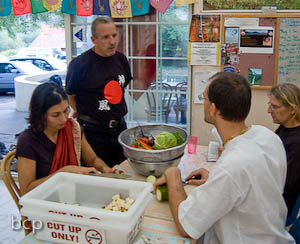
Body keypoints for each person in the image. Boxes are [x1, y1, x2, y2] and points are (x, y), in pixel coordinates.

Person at [154, 72, 295, 244]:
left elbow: (186, 226)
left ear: (213, 108)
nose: (203, 102)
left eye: (203, 98)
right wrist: (214, 180)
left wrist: (173, 174)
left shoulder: (232, 165)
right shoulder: (267, 136)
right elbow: (254, 183)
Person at [16, 83, 120, 196]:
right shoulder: (28, 141)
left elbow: (92, 160)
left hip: (71, 194)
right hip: (43, 202)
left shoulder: (72, 129)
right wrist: (63, 173)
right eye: (55, 115)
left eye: (66, 110)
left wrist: (106, 169)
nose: (64, 118)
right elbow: (26, 190)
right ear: (40, 115)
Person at [66, 17, 132, 168]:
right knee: (98, 179)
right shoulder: (79, 65)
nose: (112, 41)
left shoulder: (121, 59)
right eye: (105, 37)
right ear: (94, 39)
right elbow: (71, 94)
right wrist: (78, 110)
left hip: (120, 128)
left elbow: (122, 86)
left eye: (114, 35)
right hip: (92, 132)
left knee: (123, 172)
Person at [268, 83, 300, 216]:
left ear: (292, 109)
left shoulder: (297, 142)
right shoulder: (284, 129)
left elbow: (286, 184)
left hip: (280, 206)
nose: (269, 110)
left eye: (274, 106)